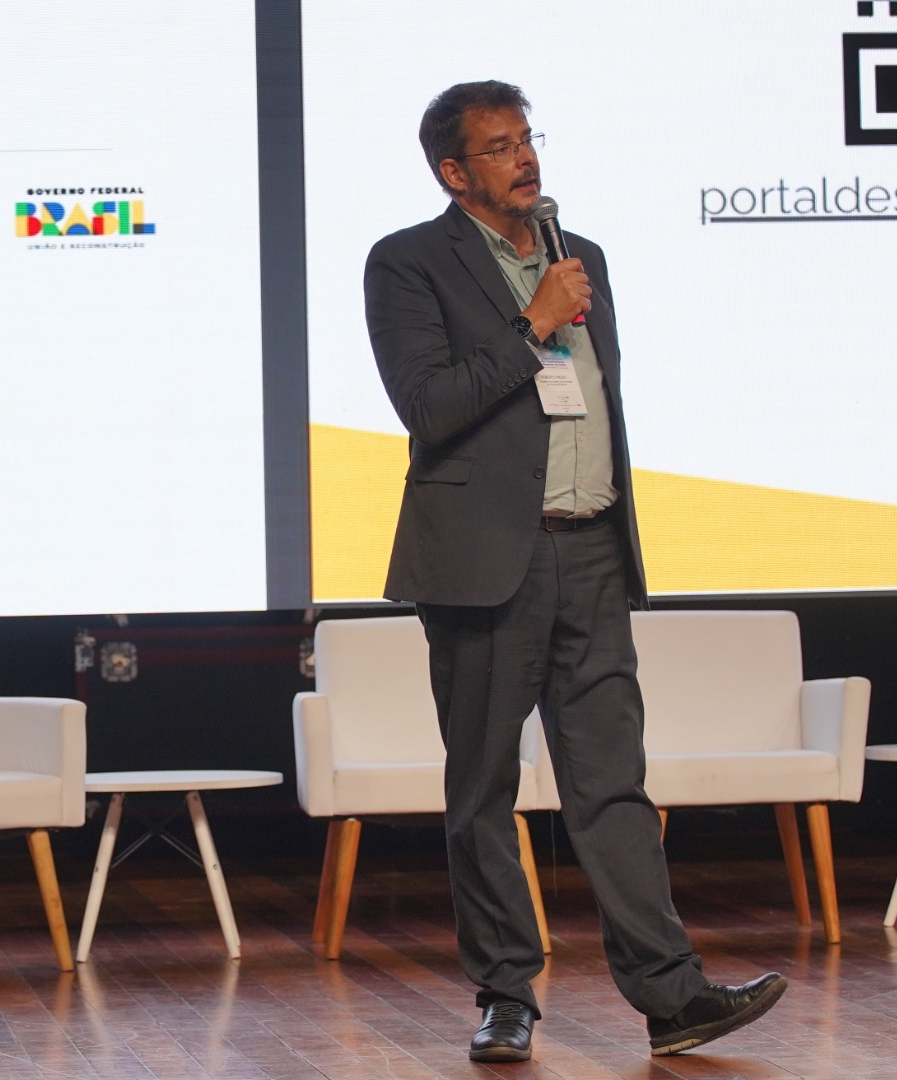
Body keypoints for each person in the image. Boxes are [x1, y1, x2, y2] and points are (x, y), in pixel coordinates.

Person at [362, 81, 786, 1063]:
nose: (525, 159)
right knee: (484, 790)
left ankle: (672, 997)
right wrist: (532, 327)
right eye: (500, 147)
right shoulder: (408, 261)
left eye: (527, 139)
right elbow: (429, 405)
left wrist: (553, 308)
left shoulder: (577, 255)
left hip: (590, 549)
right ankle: (506, 995)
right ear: (454, 172)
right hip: (484, 564)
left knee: (614, 787)